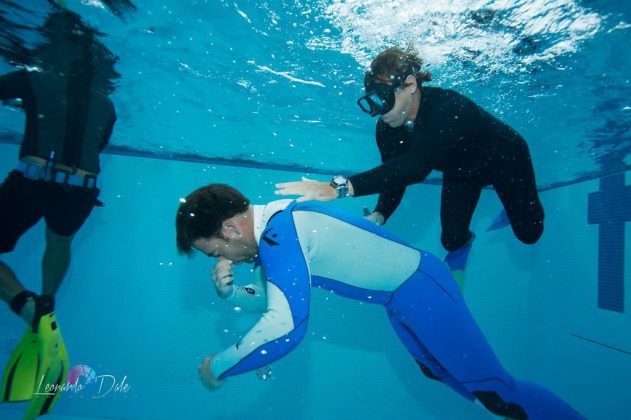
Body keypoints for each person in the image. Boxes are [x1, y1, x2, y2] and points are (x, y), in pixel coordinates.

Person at [176, 184, 582, 419]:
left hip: (420, 291)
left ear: (229, 227)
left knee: (499, 394)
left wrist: (219, 365)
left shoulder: (280, 234)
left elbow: (284, 327)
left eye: (216, 253)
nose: (225, 260)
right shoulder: (278, 230)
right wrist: (229, 292)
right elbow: (268, 298)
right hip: (406, 299)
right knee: (450, 378)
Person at [274, 46, 545, 283]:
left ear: (411, 85)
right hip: (461, 172)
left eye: (384, 98)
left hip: (506, 160)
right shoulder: (388, 128)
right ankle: (466, 246)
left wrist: (340, 188)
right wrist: (380, 214)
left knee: (530, 234)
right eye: (373, 101)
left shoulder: (448, 107)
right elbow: (397, 173)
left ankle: (514, 206)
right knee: (450, 240)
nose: (380, 110)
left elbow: (416, 168)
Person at [0, 10, 117, 417]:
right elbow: (96, 146)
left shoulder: (33, 77)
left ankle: (30, 309)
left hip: (34, 179)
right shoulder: (107, 103)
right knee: (59, 239)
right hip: (82, 188)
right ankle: (48, 301)